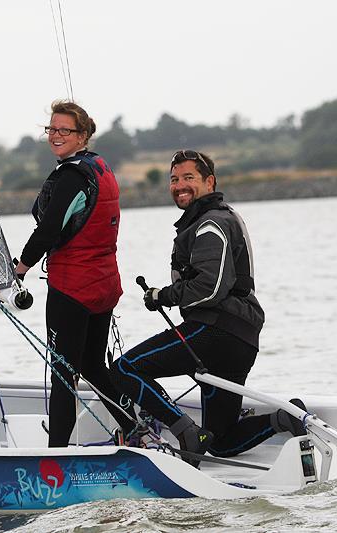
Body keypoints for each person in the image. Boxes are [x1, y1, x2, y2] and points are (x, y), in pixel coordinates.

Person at [109, 149, 305, 466]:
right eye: (174, 179)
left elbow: (209, 288)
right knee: (223, 442)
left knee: (124, 369)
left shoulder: (211, 223)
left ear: (209, 182)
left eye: (189, 178)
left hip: (215, 332)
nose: (179, 185)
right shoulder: (215, 218)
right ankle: (284, 419)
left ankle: (187, 433)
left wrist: (162, 296)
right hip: (240, 340)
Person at [15, 100, 136, 447]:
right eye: (51, 129)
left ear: (82, 135)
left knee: (63, 375)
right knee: (93, 367)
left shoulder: (71, 176)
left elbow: (49, 228)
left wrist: (20, 268)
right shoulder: (100, 167)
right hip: (104, 284)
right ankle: (132, 425)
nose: (55, 135)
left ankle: (56, 456)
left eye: (64, 130)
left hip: (73, 287)